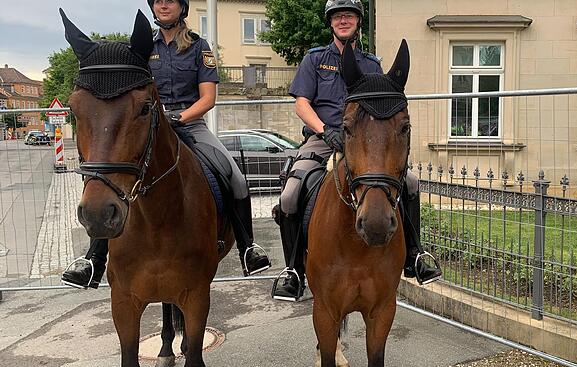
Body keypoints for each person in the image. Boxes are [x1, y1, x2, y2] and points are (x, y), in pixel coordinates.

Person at [61, 0, 271, 289]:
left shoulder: (199, 47)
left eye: (169, 0)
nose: (163, 5)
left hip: (190, 124)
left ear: (181, 7)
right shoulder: (142, 47)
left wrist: (178, 117)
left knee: (232, 173)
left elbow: (208, 98)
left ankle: (248, 247)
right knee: (113, 180)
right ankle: (94, 259)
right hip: (147, 126)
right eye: (158, 0)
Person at [272, 0, 441, 301]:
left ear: (358, 21)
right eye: (337, 16)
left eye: (348, 15)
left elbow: (383, 109)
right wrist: (326, 130)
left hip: (365, 143)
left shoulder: (372, 64)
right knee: (289, 194)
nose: (343, 20)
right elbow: (301, 103)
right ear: (330, 23)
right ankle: (293, 270)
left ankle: (414, 255)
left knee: (411, 182)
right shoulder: (314, 60)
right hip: (322, 138)